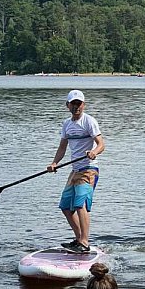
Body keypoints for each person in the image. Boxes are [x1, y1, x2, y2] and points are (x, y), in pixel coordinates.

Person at [47, 90, 105, 254]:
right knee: (65, 207)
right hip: (75, 170)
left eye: (79, 104)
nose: (76, 107)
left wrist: (94, 151)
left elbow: (101, 144)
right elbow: (62, 147)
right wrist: (54, 163)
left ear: (83, 105)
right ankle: (79, 238)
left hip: (89, 169)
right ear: (68, 106)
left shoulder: (89, 121)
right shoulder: (67, 124)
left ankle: (85, 242)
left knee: (80, 205)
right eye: (73, 104)